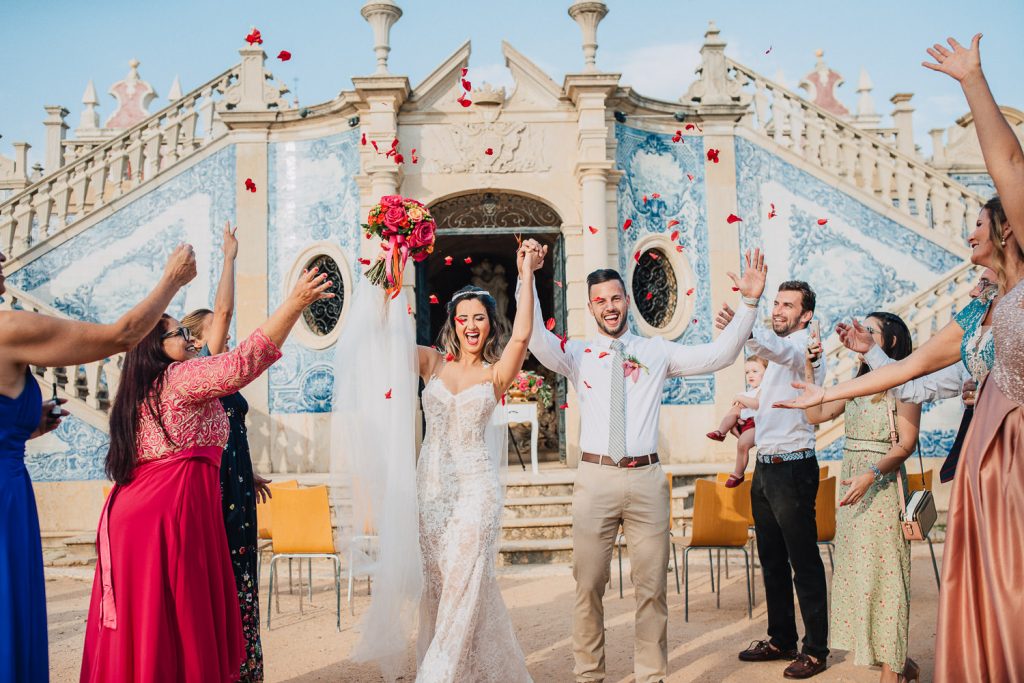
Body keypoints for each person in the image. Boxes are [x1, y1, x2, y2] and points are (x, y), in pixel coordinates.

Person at [80, 266, 333, 682]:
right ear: (154, 347)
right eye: (180, 333)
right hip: (167, 519)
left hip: (149, 517)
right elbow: (243, 363)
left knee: (156, 631)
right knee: (179, 626)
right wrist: (294, 304)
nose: (190, 338)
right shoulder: (179, 378)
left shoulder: (146, 386)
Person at [526, 247, 767, 683]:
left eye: (616, 298)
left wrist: (749, 304)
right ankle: (589, 675)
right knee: (588, 586)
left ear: (627, 300)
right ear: (590, 306)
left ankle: (651, 676)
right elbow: (536, 341)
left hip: (646, 480)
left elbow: (719, 356)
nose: (610, 306)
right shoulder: (575, 353)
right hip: (595, 479)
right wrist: (527, 274)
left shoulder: (655, 352)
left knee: (652, 589)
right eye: (600, 300)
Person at [0, 244, 196, 683]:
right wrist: (172, 280)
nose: (3, 260)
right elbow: (122, 336)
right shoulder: (6, 328)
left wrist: (22, 428)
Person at [922, 33, 1024, 683]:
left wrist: (973, 81)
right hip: (995, 454)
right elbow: (917, 363)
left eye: (982, 225)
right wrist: (829, 395)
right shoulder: (984, 307)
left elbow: (1008, 164)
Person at [802, 312, 921, 683]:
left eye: (870, 331)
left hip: (881, 490)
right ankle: (903, 665)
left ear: (892, 343)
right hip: (851, 494)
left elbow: (906, 443)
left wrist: (871, 475)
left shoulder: (905, 382)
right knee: (862, 583)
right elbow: (816, 414)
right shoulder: (857, 382)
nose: (860, 335)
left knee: (887, 583)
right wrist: (810, 369)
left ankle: (892, 672)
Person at [181, 222, 272, 682]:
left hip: (236, 480)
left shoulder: (219, 377)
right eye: (218, 334)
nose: (227, 340)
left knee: (242, 575)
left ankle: (243, 668)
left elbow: (228, 430)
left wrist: (249, 472)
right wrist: (230, 258)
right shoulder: (201, 370)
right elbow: (224, 309)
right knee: (224, 577)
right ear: (198, 341)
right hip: (217, 490)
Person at [737, 280, 829, 680]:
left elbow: (774, 347)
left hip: (794, 467)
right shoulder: (782, 351)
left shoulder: (803, 347)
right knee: (771, 560)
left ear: (805, 315)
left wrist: (747, 321)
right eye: (775, 303)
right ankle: (781, 639)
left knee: (802, 561)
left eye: (787, 305)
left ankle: (816, 649)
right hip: (767, 466)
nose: (777, 309)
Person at [838, 269, 998, 482]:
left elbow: (907, 443)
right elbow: (911, 388)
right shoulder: (968, 358)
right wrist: (870, 350)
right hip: (981, 460)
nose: (972, 292)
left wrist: (993, 396)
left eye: (984, 285)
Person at [707, 355, 768, 487]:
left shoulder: (763, 389)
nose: (750, 375)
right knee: (734, 410)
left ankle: (738, 473)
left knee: (742, 445)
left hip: (755, 424)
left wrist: (739, 397)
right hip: (744, 423)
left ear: (767, 372)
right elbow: (740, 408)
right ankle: (721, 431)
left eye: (755, 371)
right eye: (747, 372)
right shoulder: (748, 392)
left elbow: (756, 404)